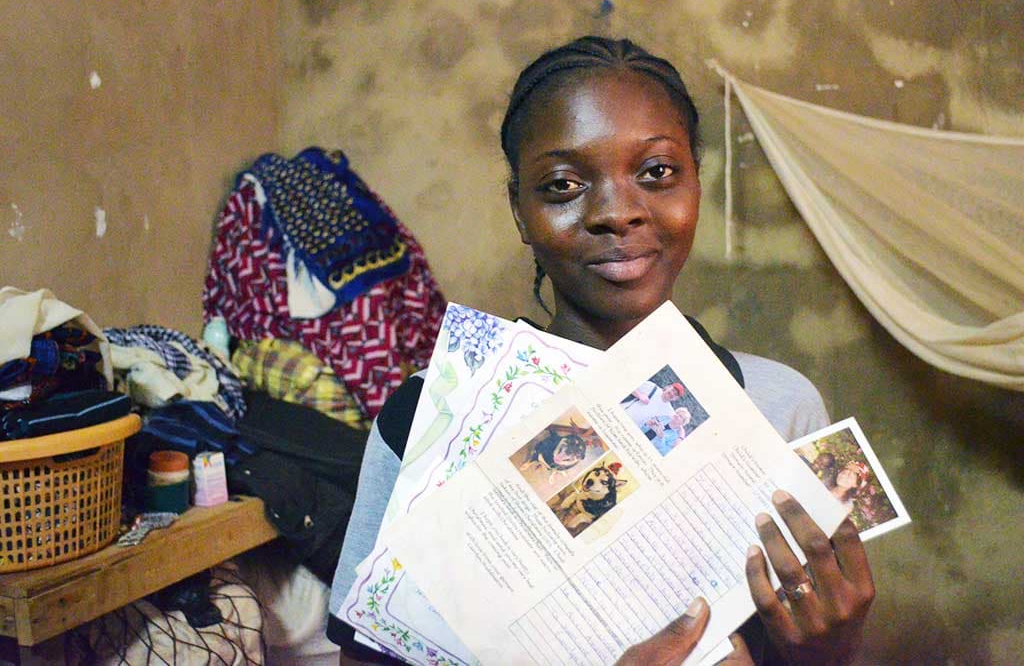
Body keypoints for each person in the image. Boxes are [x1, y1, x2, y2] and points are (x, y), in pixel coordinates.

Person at [328, 36, 874, 664]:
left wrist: (832, 647)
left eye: (657, 173)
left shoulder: (786, 405)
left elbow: (821, 636)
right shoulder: (424, 421)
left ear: (697, 184)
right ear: (519, 210)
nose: (617, 213)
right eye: (563, 184)